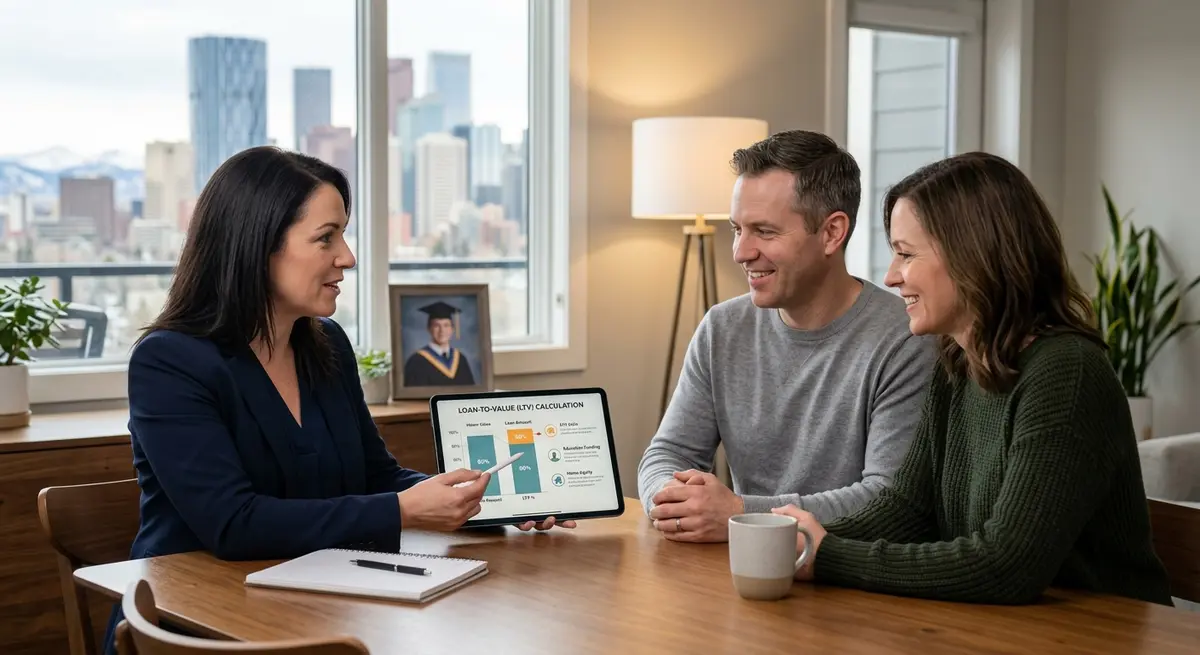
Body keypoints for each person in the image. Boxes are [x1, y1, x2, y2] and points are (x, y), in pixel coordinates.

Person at [101, 147, 566, 654]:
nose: (347, 256)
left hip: (315, 606)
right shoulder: (168, 362)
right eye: (326, 237)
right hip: (193, 625)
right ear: (257, 245)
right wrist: (403, 510)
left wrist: (482, 502)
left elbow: (376, 476)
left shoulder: (327, 344)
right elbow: (233, 524)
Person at [772, 151, 1174, 606]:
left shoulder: (1068, 373)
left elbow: (1007, 565)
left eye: (905, 254)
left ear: (973, 257)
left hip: (1102, 632)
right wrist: (795, 540)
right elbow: (908, 509)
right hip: (1009, 627)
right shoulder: (958, 363)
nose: (891, 276)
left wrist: (828, 556)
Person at [637, 130, 937, 543]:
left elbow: (885, 499)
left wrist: (740, 513)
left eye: (764, 231)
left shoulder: (906, 340)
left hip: (845, 571)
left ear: (831, 233)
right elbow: (667, 453)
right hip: (742, 562)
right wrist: (673, 501)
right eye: (737, 229)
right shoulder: (721, 328)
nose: (741, 252)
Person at [403, 300, 476, 386]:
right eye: (436, 325)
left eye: (446, 325)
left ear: (452, 329)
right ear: (429, 328)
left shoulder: (461, 359)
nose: (442, 330)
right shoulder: (416, 361)